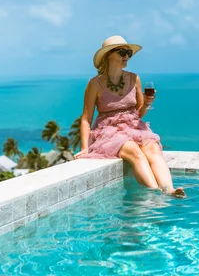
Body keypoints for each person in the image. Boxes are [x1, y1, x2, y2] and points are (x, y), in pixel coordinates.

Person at [74, 35, 185, 198]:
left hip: (134, 127)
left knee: (153, 148)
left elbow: (139, 113)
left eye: (129, 53)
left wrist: (146, 103)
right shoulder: (94, 84)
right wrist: (84, 148)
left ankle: (169, 190)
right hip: (109, 131)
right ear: (109, 54)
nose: (126, 56)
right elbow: (86, 118)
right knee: (134, 151)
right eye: (122, 52)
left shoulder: (134, 79)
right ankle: (155, 194)